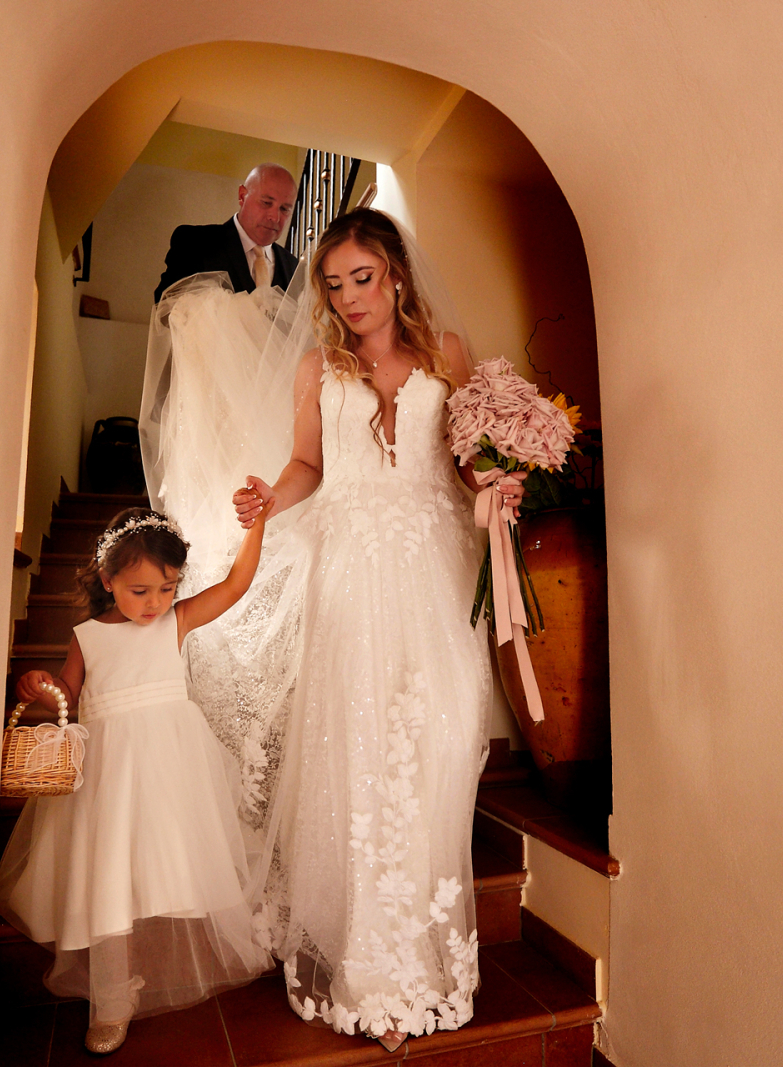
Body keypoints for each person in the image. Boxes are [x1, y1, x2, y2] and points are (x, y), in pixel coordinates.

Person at [229, 209, 526, 1049]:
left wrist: (495, 480)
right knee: (359, 755)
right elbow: (308, 465)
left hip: (433, 572)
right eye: (334, 284)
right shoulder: (318, 367)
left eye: (362, 277)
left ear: (395, 272)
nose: (349, 298)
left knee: (438, 743)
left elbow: (463, 459)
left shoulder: (447, 354)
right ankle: (371, 966)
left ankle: (420, 945)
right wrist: (270, 497)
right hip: (353, 576)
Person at [0, 505, 272, 1055]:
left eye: (168, 589)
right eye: (140, 591)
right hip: (108, 773)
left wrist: (258, 523)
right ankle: (111, 997)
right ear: (108, 580)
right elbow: (68, 695)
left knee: (163, 865)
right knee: (107, 874)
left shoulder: (177, 621)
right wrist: (41, 684)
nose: (155, 603)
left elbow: (236, 584)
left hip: (169, 768)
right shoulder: (87, 636)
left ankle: (135, 977)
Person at [153, 163, 300, 302]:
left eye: (284, 209)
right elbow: (165, 307)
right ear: (242, 196)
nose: (275, 217)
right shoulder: (194, 243)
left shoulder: (294, 268)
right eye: (266, 203)